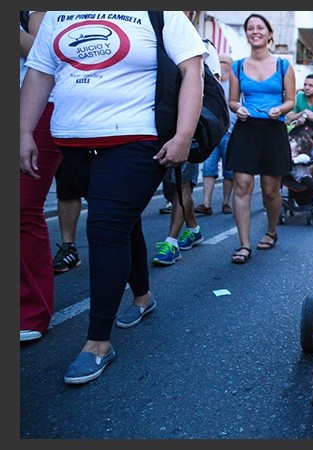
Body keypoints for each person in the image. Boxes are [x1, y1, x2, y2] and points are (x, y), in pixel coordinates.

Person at [21, 11, 206, 383]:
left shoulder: (159, 13)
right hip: (72, 142)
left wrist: (183, 135)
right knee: (121, 222)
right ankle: (142, 297)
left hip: (136, 139)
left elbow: (192, 71)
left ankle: (97, 343)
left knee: (105, 227)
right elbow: (40, 72)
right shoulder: (58, 13)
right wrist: (23, 131)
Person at [226, 13, 296, 264]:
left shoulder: (283, 65)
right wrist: (238, 108)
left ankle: (271, 231)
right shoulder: (236, 65)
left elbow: (291, 100)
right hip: (247, 128)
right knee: (242, 184)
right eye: (250, 28)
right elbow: (233, 100)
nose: (255, 31)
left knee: (270, 190)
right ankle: (244, 245)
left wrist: (281, 109)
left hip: (273, 129)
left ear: (269, 33)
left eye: (260, 28)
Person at [151, 10, 219, 266]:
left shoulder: (202, 46)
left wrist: (185, 133)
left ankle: (171, 242)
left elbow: (208, 87)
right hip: (154, 127)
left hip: (186, 129)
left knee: (182, 185)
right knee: (172, 189)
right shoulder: (151, 38)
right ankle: (193, 228)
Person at [20, 10, 63, 342]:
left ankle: (31, 311)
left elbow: (46, 56)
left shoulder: (40, 12)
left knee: (23, 208)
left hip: (38, 108)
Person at [195, 52, 236, 216]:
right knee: (208, 168)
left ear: (230, 65)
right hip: (211, 134)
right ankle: (206, 203)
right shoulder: (210, 81)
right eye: (219, 61)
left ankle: (226, 202)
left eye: (224, 62)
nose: (221, 64)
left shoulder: (235, 84)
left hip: (230, 133)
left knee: (229, 170)